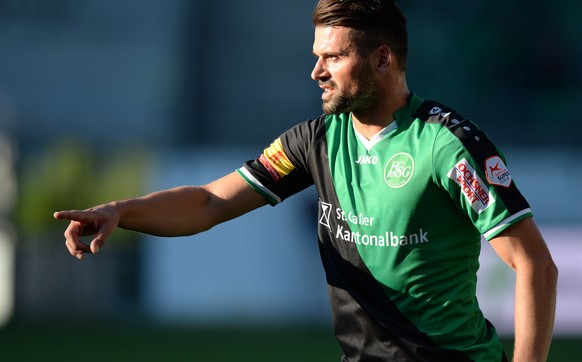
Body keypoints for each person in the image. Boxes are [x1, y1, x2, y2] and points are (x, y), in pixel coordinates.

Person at [54, 0, 558, 361]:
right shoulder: (313, 141)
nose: (316, 71)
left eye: (333, 57)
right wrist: (121, 211)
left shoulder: (446, 144)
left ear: (383, 58)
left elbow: (534, 263)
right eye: (317, 56)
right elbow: (209, 202)